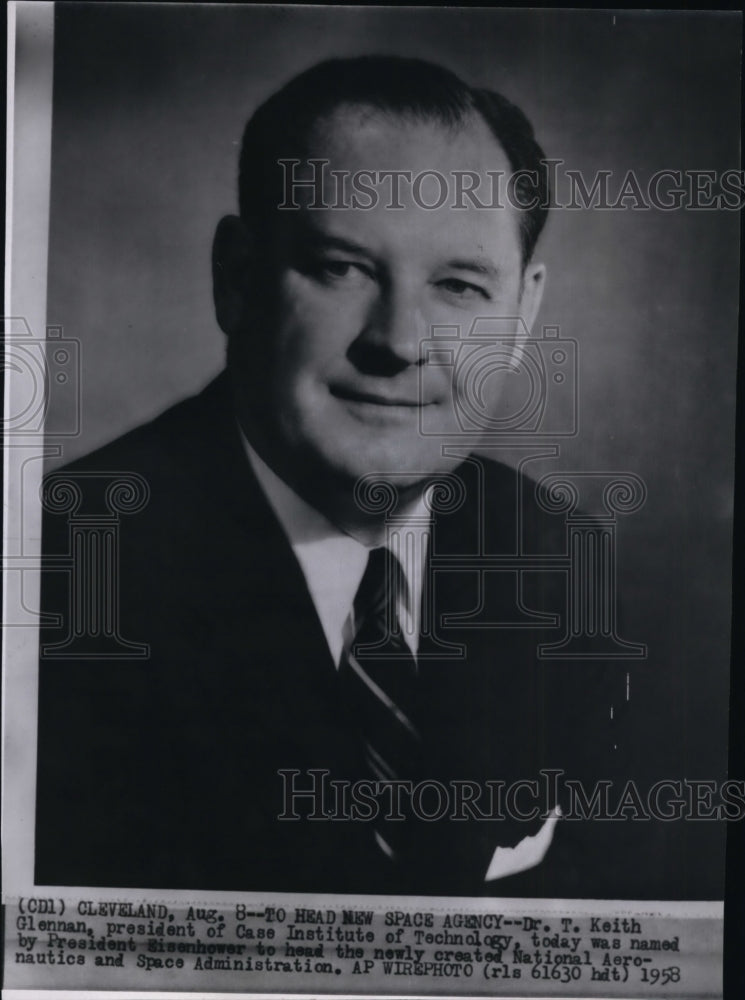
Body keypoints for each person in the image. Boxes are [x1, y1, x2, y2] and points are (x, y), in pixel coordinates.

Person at [35, 55, 644, 897]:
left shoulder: (569, 565)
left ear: (523, 313)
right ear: (237, 279)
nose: (398, 341)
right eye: (339, 268)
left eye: (459, 286)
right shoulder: (59, 572)